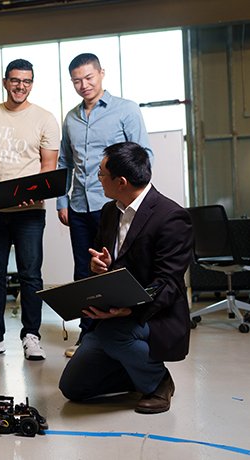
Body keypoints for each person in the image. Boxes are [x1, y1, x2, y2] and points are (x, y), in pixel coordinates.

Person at [58, 141, 193, 414]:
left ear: (121, 181)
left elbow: (167, 284)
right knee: (73, 388)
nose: (97, 180)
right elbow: (104, 257)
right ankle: (135, 370)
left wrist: (129, 308)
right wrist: (100, 265)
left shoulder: (171, 217)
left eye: (101, 175)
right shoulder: (110, 211)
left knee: (114, 332)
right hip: (115, 312)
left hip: (155, 313)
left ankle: (158, 382)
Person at [57, 53, 153, 357]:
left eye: (89, 77)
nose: (83, 85)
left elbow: (143, 157)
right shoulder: (71, 118)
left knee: (116, 270)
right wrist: (62, 201)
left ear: (101, 73)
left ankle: (122, 330)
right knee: (84, 272)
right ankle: (88, 335)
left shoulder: (126, 110)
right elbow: (65, 161)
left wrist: (137, 202)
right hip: (79, 206)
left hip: (113, 205)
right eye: (76, 80)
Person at [0, 59, 59, 360]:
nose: (21, 86)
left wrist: (33, 194)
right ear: (5, 81)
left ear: (32, 83)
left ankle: (31, 336)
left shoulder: (45, 119)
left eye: (27, 81)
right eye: (16, 80)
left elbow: (49, 168)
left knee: (30, 275)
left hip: (30, 212)